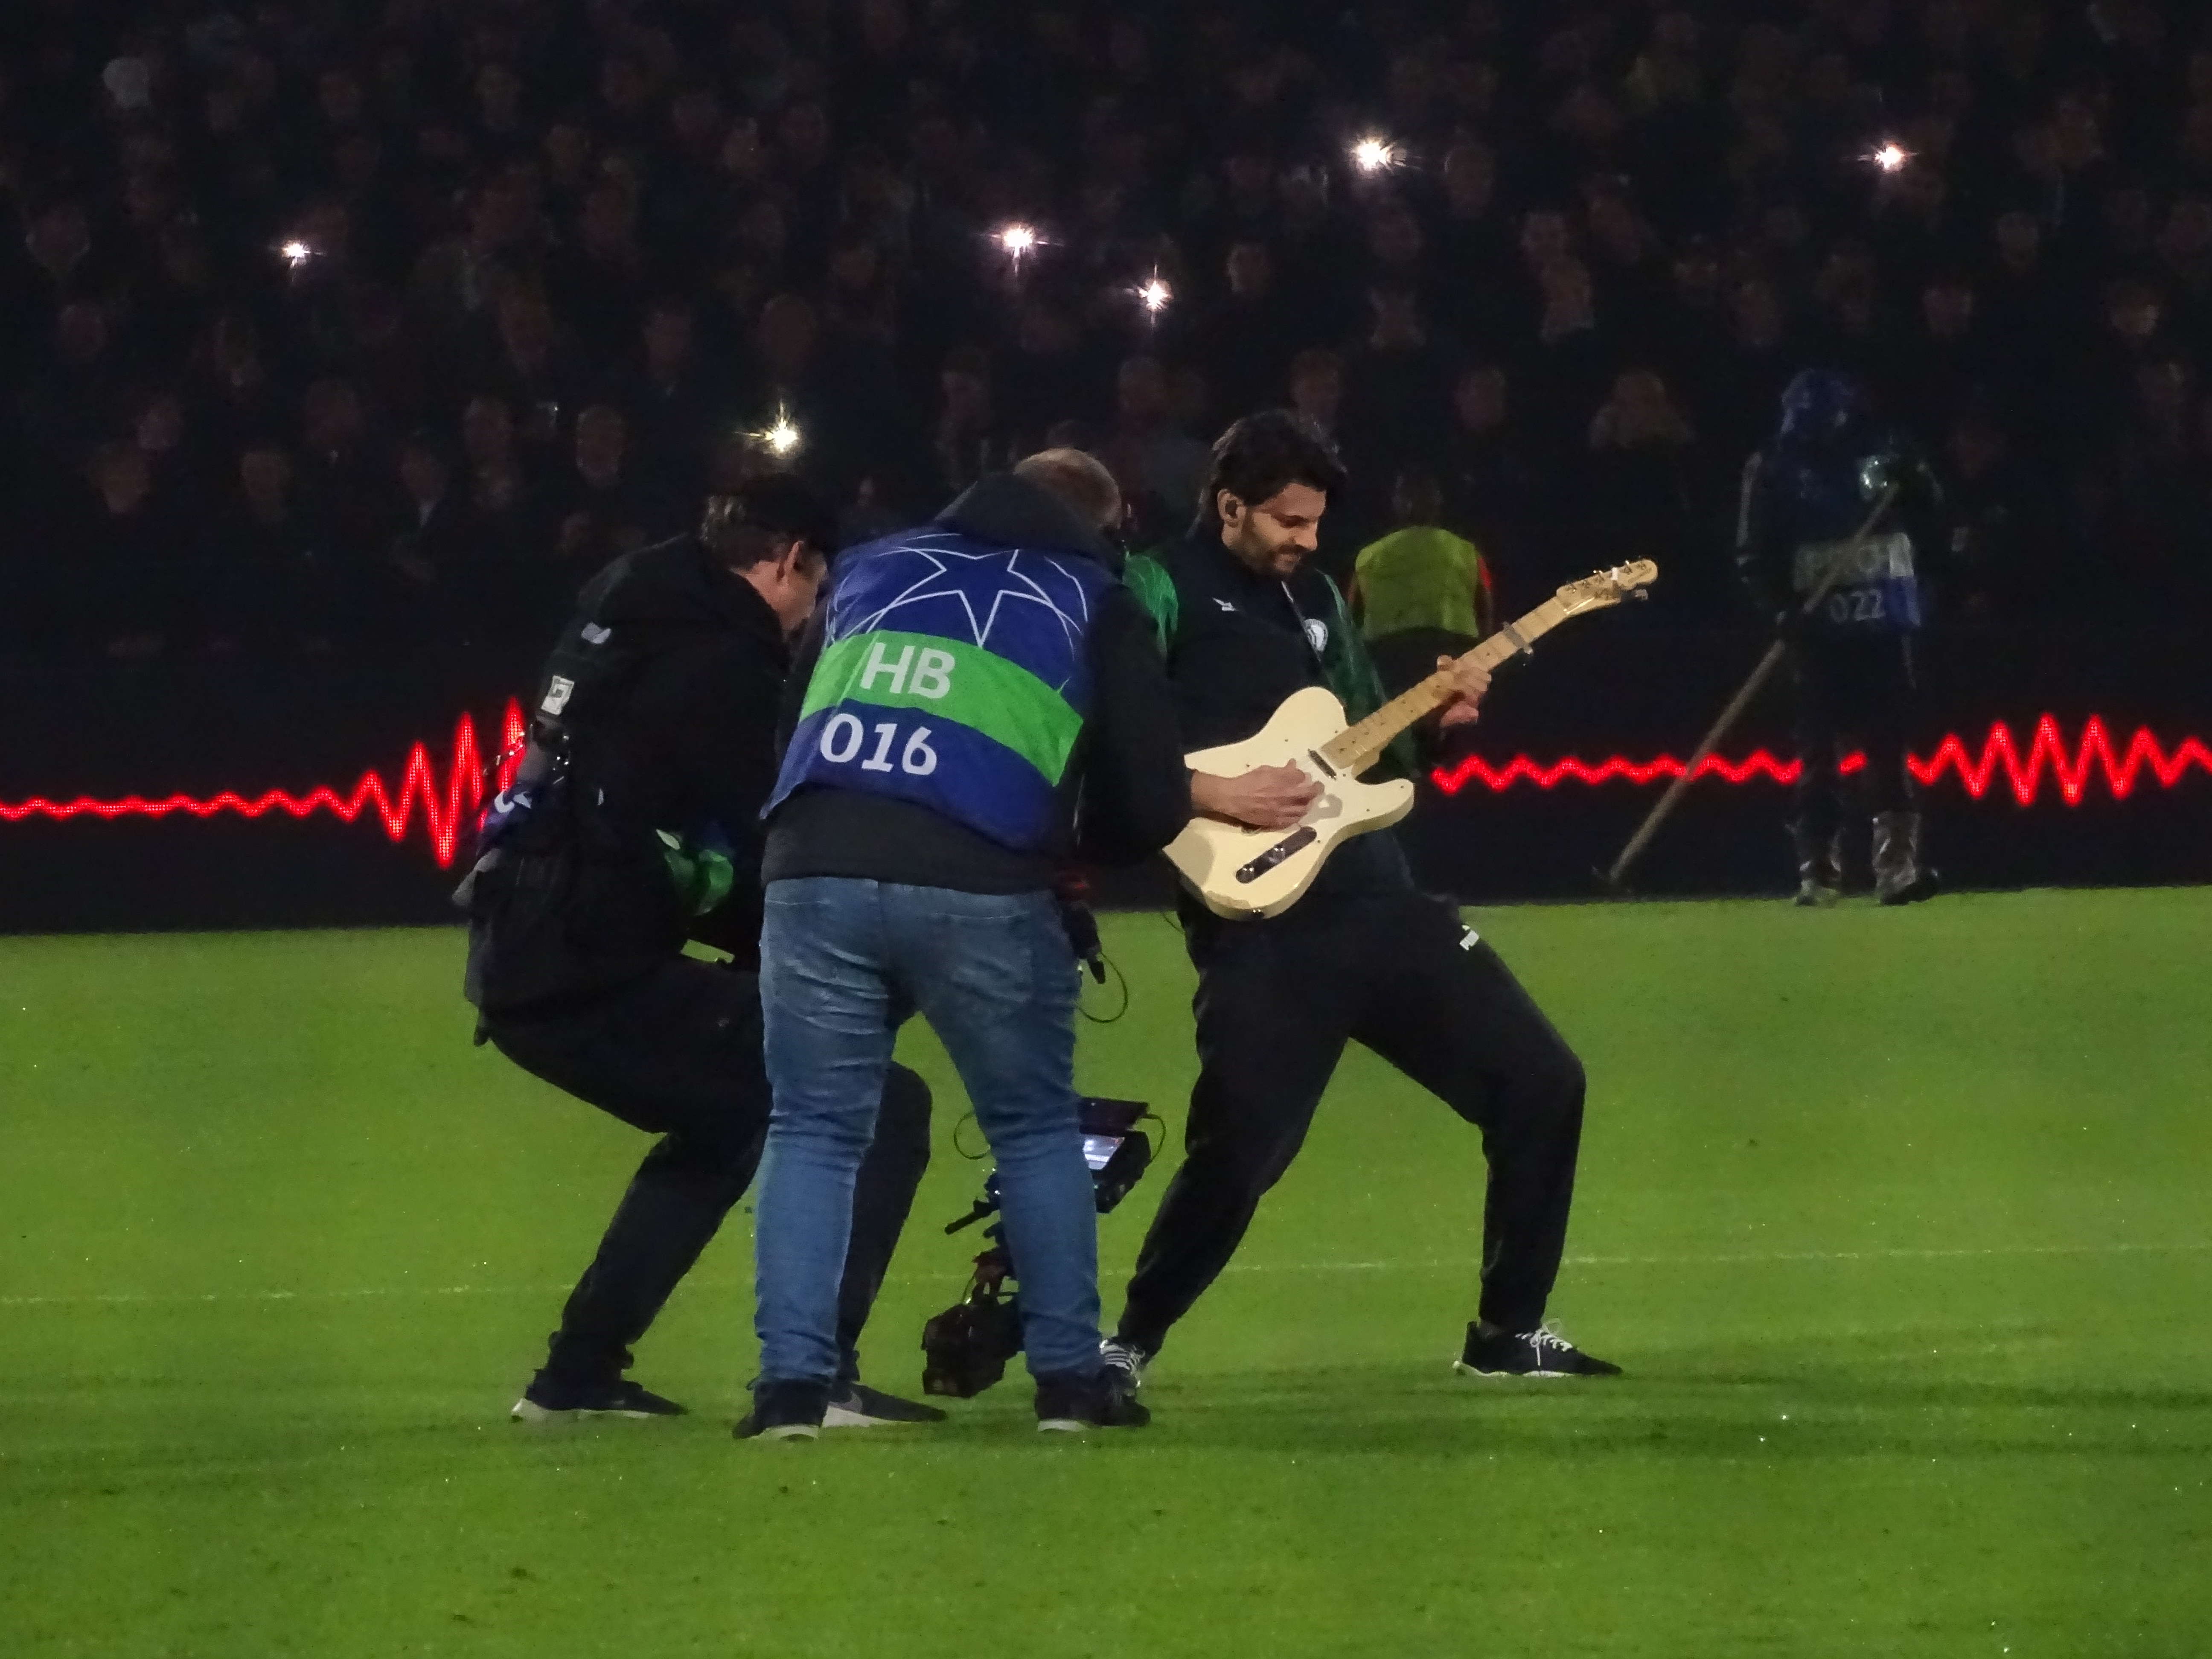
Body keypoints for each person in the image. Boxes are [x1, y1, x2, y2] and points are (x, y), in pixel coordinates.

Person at [1107, 411, 1619, 1387]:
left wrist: (1442, 721)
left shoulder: (1312, 602)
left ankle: (1506, 1332)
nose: (1307, 541)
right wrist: (1210, 791)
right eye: (1289, 521)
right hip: (1256, 925)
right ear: (1228, 506)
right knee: (1239, 1151)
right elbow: (1111, 728)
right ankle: (1126, 1344)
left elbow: (1363, 738)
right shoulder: (1154, 587)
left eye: (1314, 522)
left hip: (1376, 898)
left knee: (1543, 1082)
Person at [742, 449, 1229, 1439]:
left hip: (813, 863)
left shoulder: (870, 570)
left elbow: (791, 728)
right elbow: (1151, 798)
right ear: (1107, 522)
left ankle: (791, 1389)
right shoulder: (1095, 596)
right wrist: (1065, 841)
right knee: (1034, 1127)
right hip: (982, 883)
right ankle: (1067, 1384)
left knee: (813, 1129)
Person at [459, 475, 941, 1427]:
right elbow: (779, 840)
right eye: (820, 585)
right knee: (882, 1101)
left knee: (727, 1120)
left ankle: (577, 1377)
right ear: (790, 560)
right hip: (586, 966)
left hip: (530, 950)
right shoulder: (718, 663)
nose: (815, 614)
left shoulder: (628, 613)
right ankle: (822, 1377)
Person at [1736, 370, 1941, 906]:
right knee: (1817, 752)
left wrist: (1919, 483)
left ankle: (1897, 866)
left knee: (1889, 746)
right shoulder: (1774, 467)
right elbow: (1754, 555)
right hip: (1817, 628)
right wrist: (1779, 610)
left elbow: (1930, 515)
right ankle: (1817, 870)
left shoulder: (1882, 454)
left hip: (1884, 620)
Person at [1349, 465, 1495, 698]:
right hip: (1452, 647)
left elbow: (1351, 616)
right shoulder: (1466, 550)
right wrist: (1482, 653)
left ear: (1396, 504)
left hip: (1387, 654)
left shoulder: (1369, 555)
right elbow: (1485, 605)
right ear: (1437, 503)